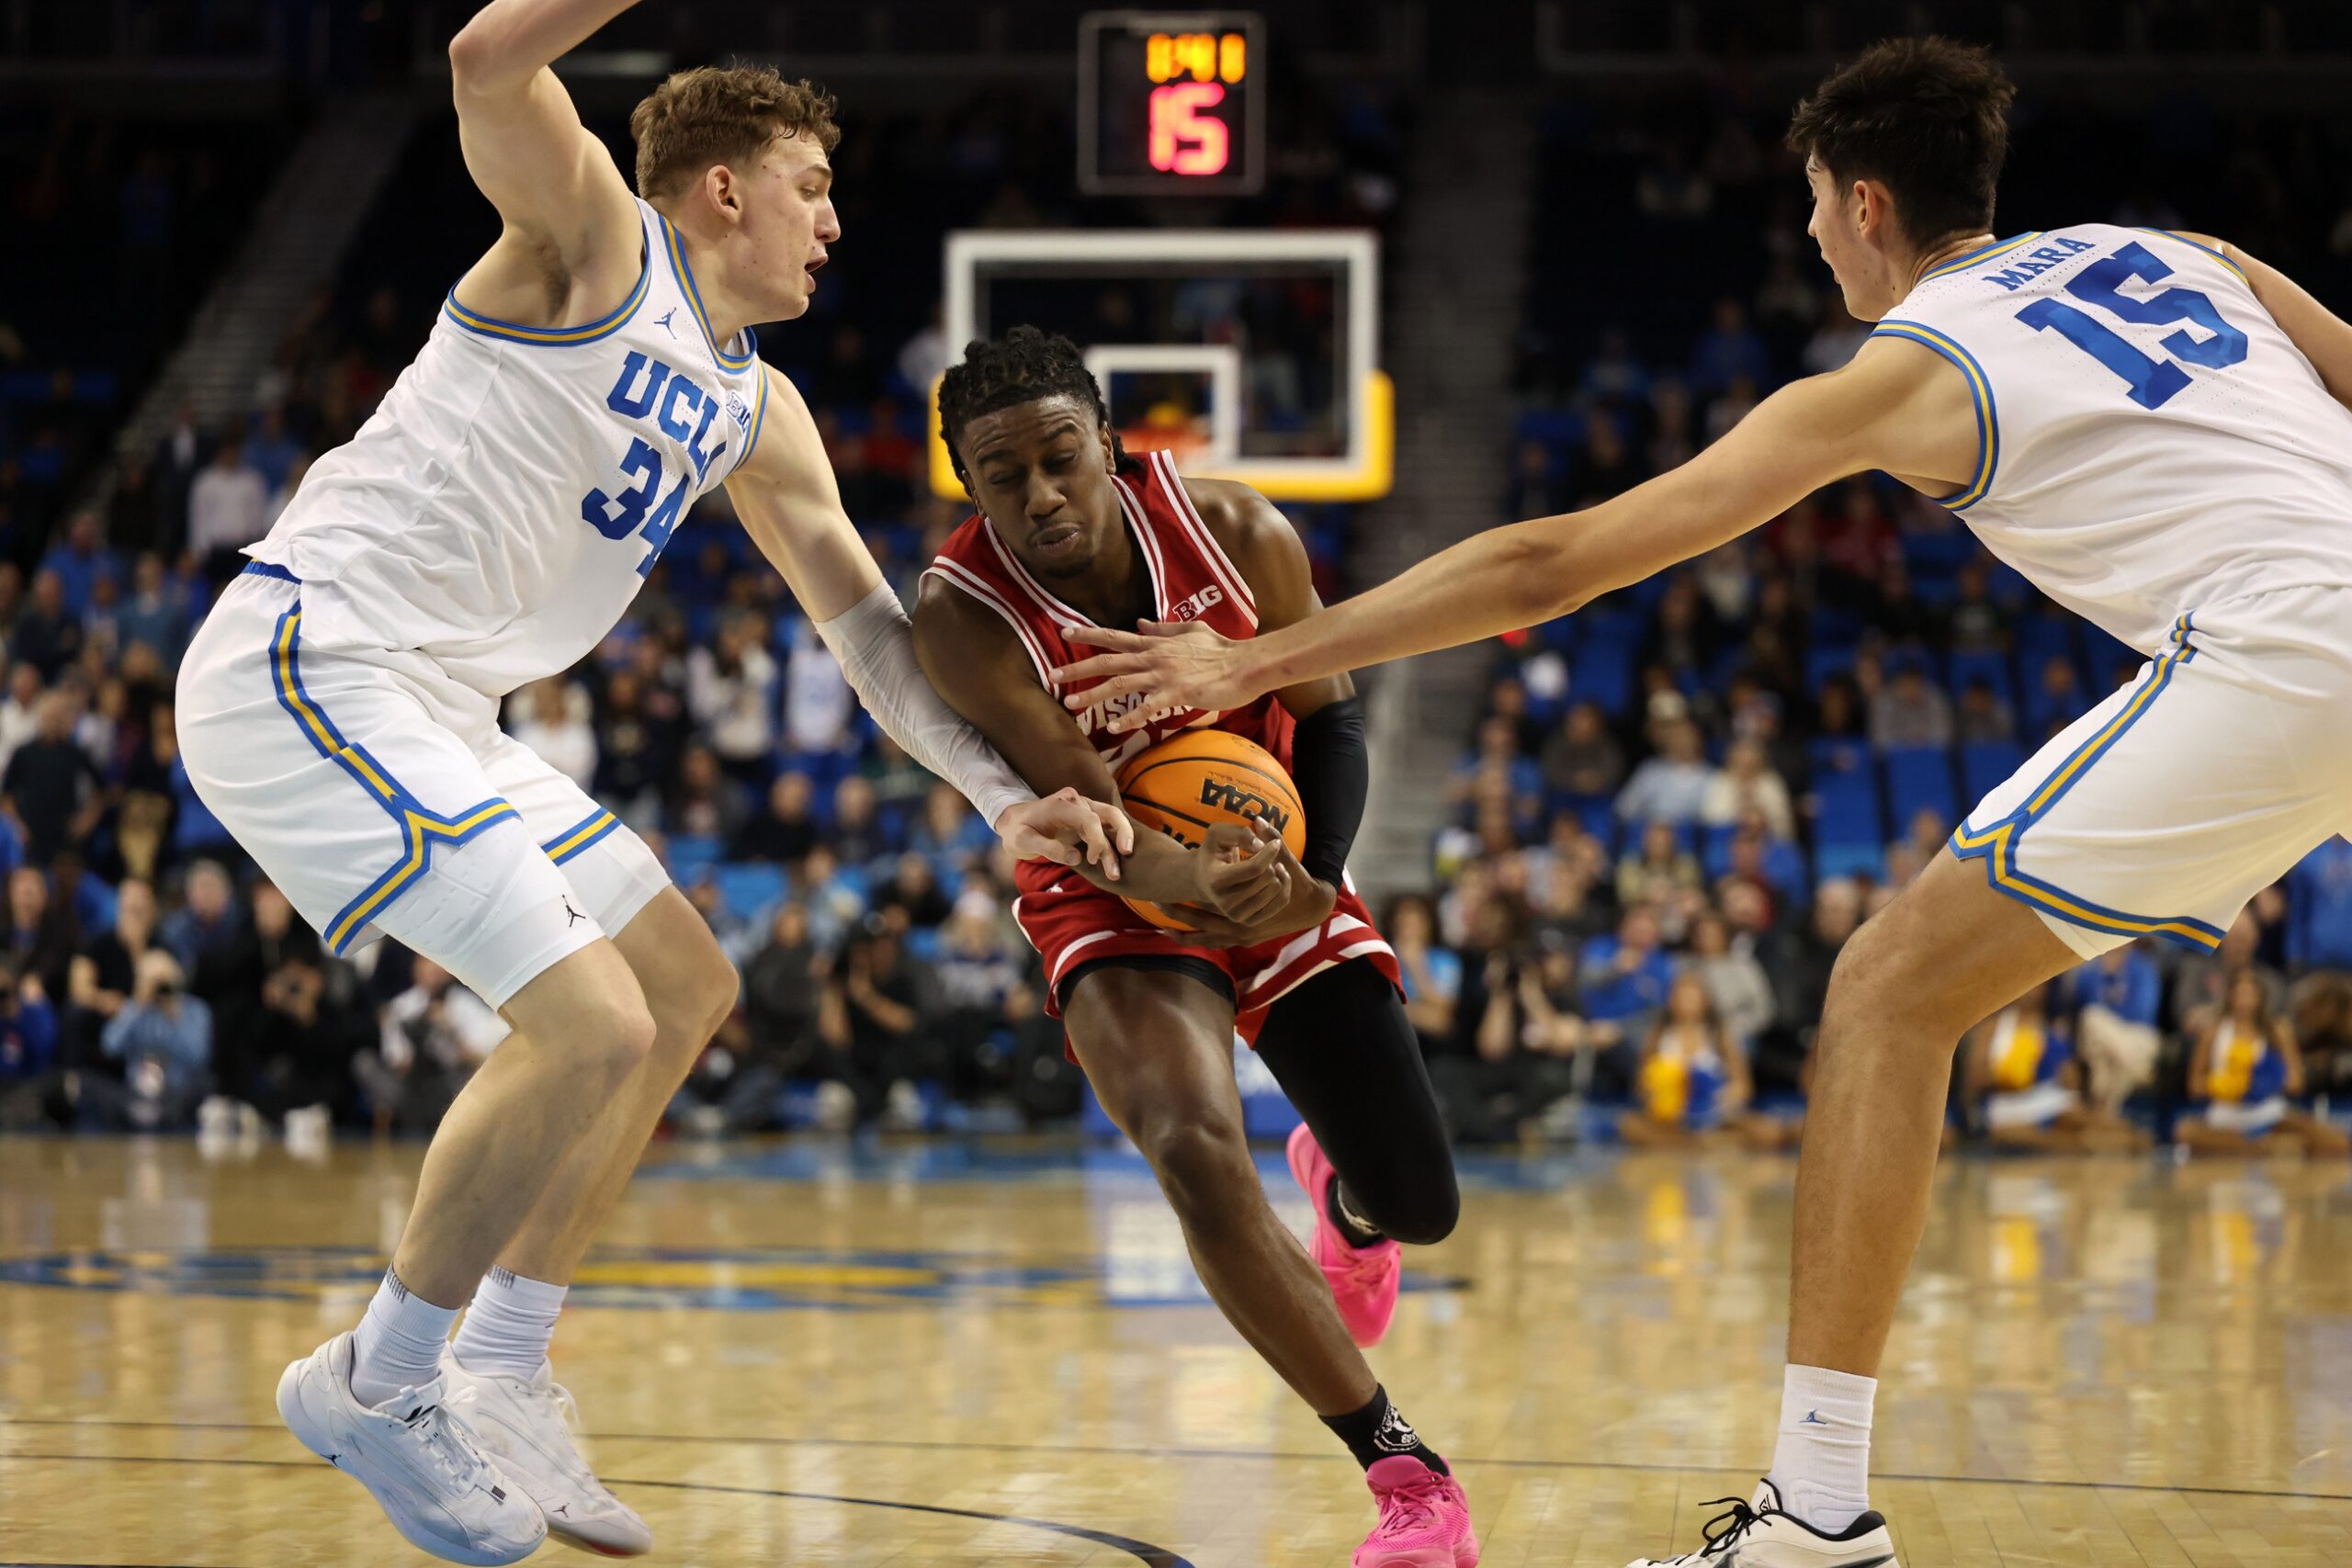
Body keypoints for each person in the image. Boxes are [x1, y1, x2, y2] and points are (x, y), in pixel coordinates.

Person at [1053, 36, 2352, 1561]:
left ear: (1867, 203)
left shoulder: (1918, 364)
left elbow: (1559, 560)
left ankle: (1813, 1512)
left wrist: (1253, 661)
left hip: (2286, 642)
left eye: (1814, 207)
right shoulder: (2187, 252)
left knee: (1883, 995)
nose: (1809, 239)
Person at [170, 7, 1126, 1561]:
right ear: (723, 190)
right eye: (812, 184)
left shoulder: (760, 404)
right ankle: (378, 1377)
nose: (834, 220)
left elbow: (874, 644)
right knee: (590, 1018)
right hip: (313, 664)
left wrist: (990, 793)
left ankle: (498, 1363)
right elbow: (486, 61)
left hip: (444, 706)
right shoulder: (597, 246)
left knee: (682, 983)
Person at [910, 327, 1476, 1566]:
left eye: (1062, 458)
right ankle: (1408, 1479)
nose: (1040, 494)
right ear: (970, 483)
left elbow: (1333, 719)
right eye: (1002, 477)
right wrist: (1199, 884)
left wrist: (1306, 882)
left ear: (1111, 444)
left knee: (1422, 1203)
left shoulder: (1240, 531)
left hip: (1276, 848)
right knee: (1189, 1145)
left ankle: (1349, 1196)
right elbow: (1083, 797)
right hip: (1111, 884)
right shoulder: (962, 617)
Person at [2176, 967, 2350, 1158]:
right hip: (2226, 1117)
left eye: (2250, 994)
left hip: (2269, 1113)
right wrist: (2226, 1085)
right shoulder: (2213, 1031)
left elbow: (2296, 1083)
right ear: (2230, 996)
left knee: (2336, 1141)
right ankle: (2263, 1148)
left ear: (2261, 997)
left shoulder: (2277, 1030)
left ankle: (2264, 1146)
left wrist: (2267, 1081)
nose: (2245, 1000)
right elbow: (2194, 1086)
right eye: (2240, 993)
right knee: (2185, 1132)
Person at [1959, 981, 2146, 1154]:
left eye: (2037, 985)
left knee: (2076, 1116)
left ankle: (2129, 1133)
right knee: (2029, 1132)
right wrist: (2005, 1074)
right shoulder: (1993, 1027)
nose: (2030, 991)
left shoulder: (2051, 1028)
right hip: (2006, 1103)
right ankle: (2086, 1144)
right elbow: (1972, 1081)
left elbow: (2070, 1080)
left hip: (2043, 1097)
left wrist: (2067, 1073)